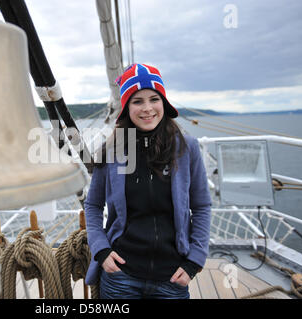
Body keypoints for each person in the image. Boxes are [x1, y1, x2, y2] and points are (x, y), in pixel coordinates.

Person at [84, 63, 211, 299]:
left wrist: (195, 259)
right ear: (126, 108)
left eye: (154, 99)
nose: (147, 108)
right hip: (121, 275)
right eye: (137, 101)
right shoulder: (112, 151)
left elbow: (202, 206)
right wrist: (101, 249)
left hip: (172, 277)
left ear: (164, 102)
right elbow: (92, 205)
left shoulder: (187, 148)